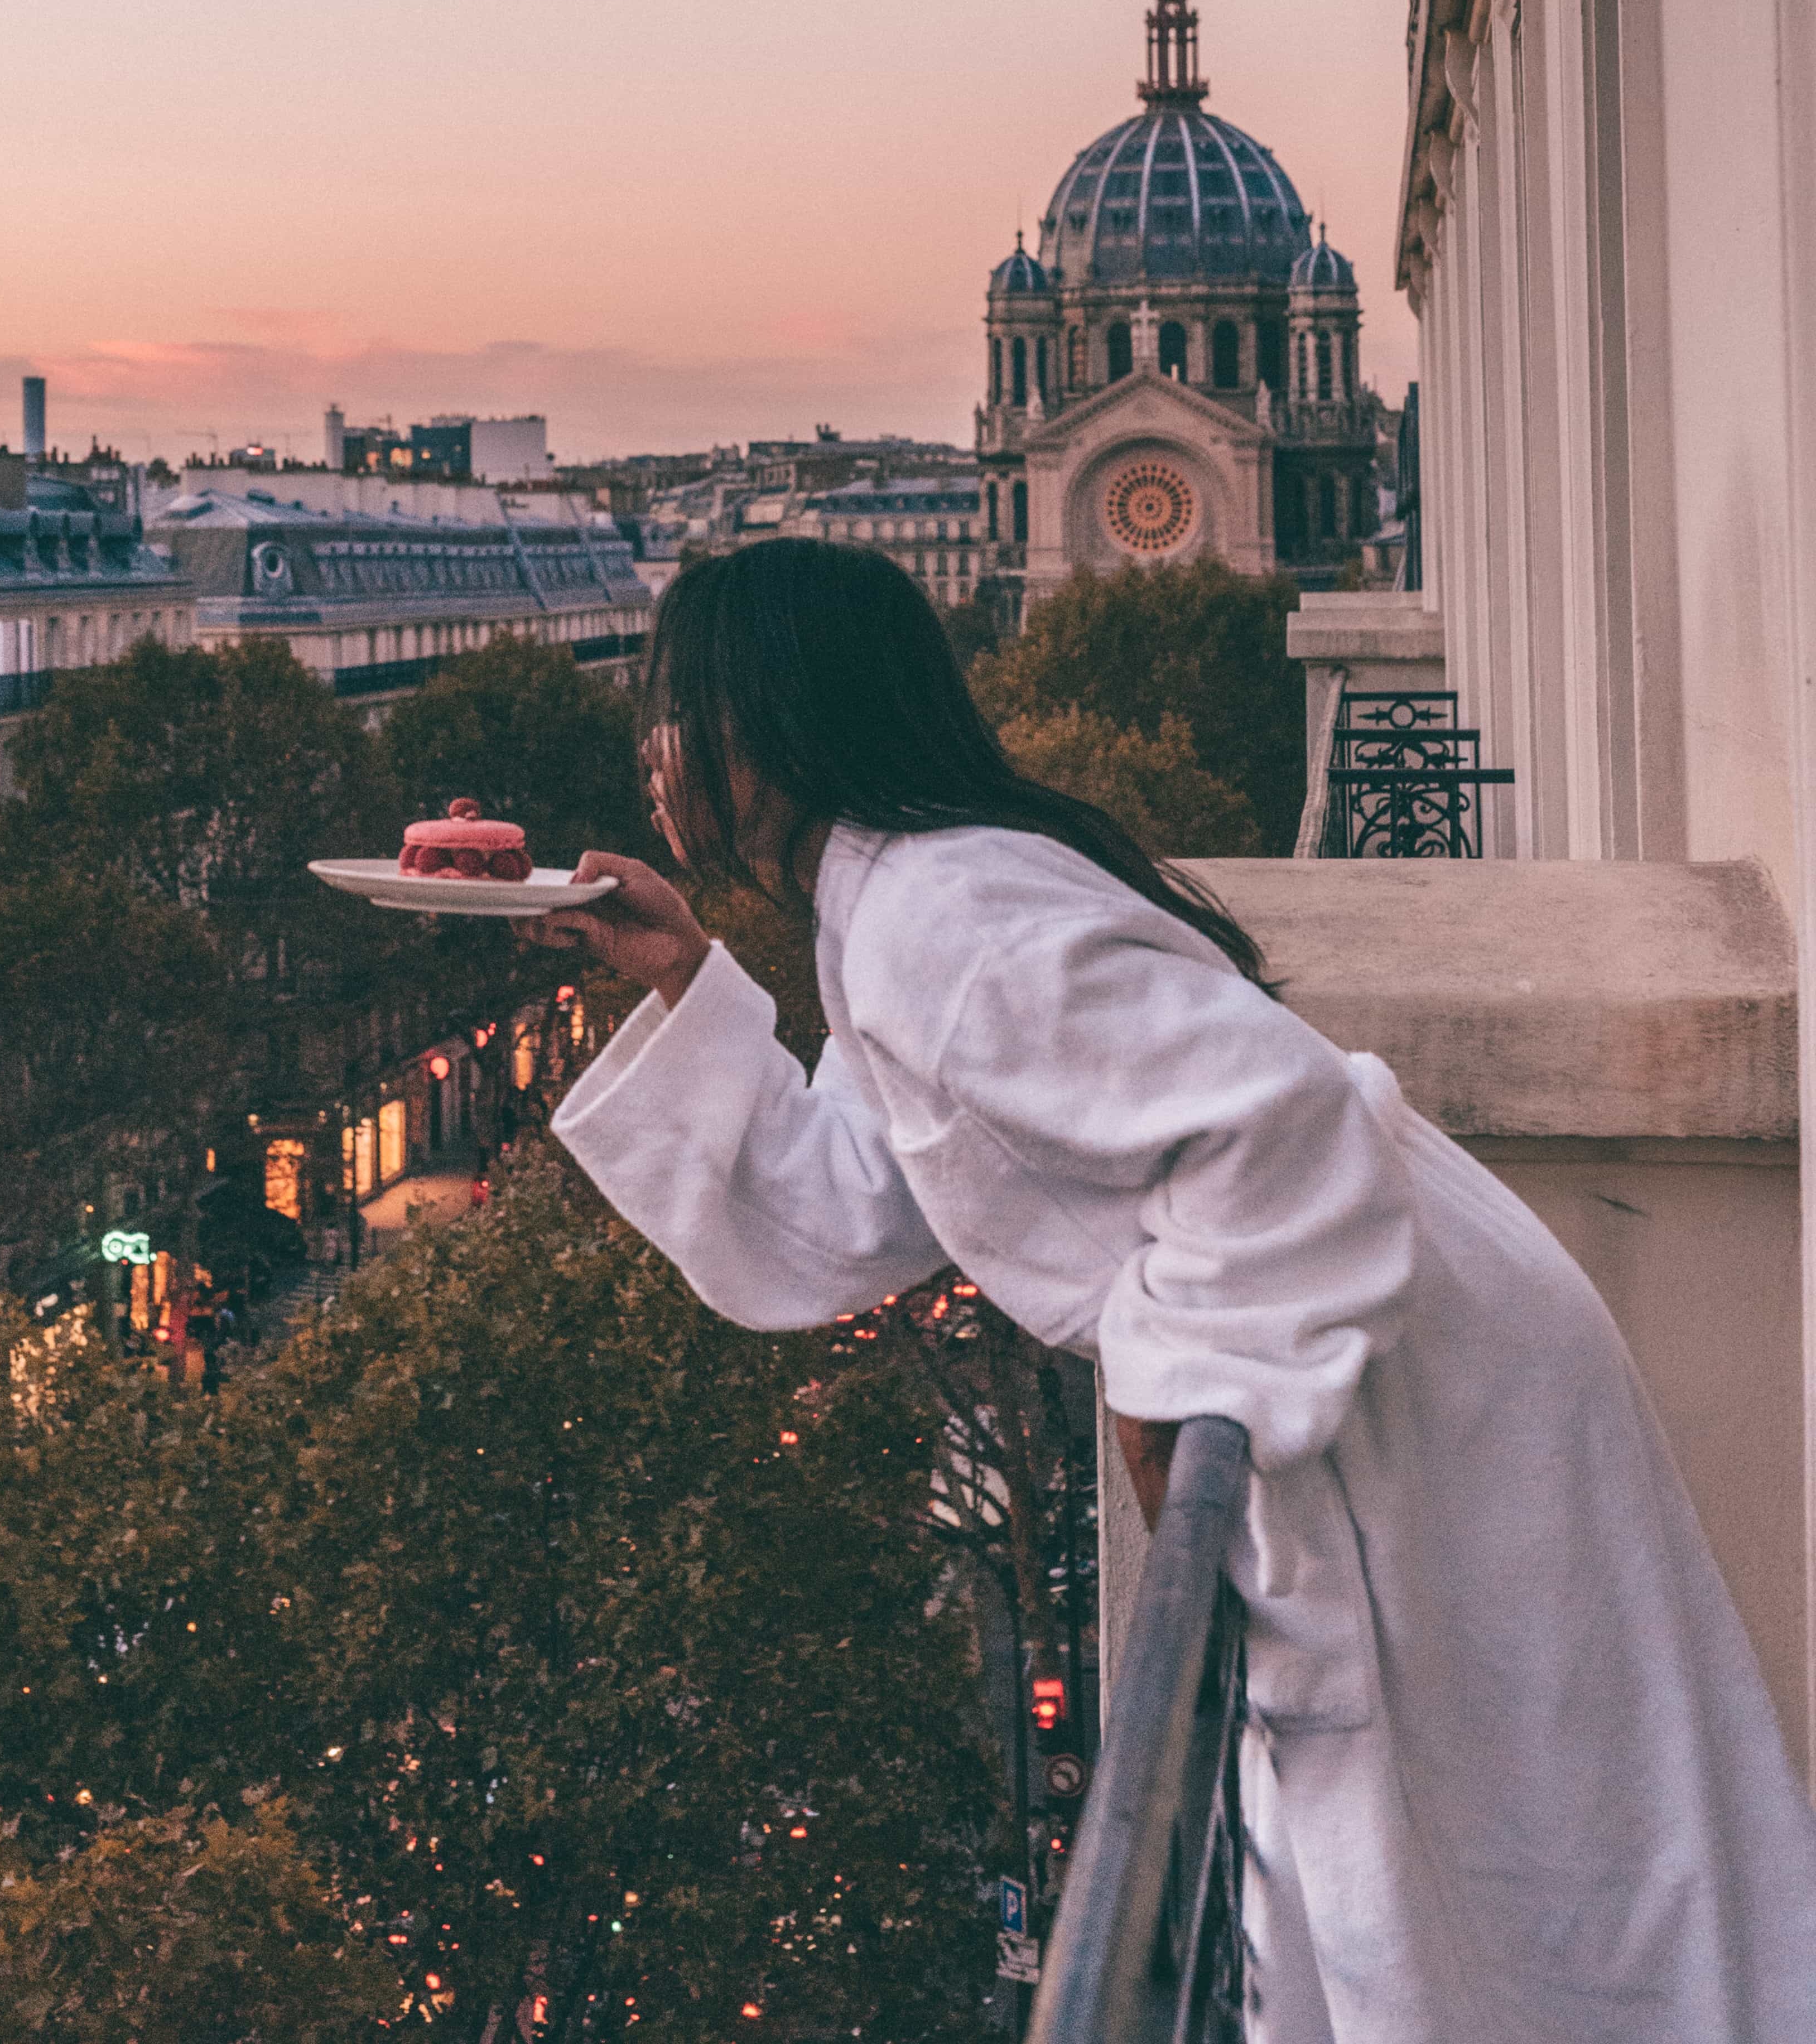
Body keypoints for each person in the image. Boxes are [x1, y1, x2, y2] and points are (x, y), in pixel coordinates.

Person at [542, 539, 1816, 2043]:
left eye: (675, 714)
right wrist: (683, 974)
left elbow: (1283, 1120)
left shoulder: (938, 918)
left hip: (1408, 1354)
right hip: (1394, 1325)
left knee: (1534, 1810)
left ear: (776, 719)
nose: (655, 758)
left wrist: (1159, 1389)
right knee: (1530, 1820)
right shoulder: (894, 903)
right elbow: (865, 1197)